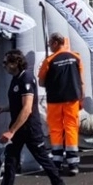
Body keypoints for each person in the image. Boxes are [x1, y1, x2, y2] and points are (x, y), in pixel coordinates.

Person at [0, 49, 69, 185]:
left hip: (29, 128)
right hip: (18, 128)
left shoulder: (26, 78)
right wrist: (4, 108)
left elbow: (27, 108)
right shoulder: (16, 79)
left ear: (15, 63)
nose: (4, 66)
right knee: (10, 163)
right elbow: (18, 105)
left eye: (6, 62)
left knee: (43, 159)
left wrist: (11, 131)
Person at [37, 33, 84, 176]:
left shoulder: (49, 61)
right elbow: (81, 81)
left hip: (54, 99)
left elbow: (41, 82)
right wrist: (81, 99)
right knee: (71, 128)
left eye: (50, 43)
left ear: (56, 43)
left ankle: (57, 162)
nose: (49, 46)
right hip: (72, 99)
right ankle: (73, 163)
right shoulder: (76, 57)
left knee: (56, 129)